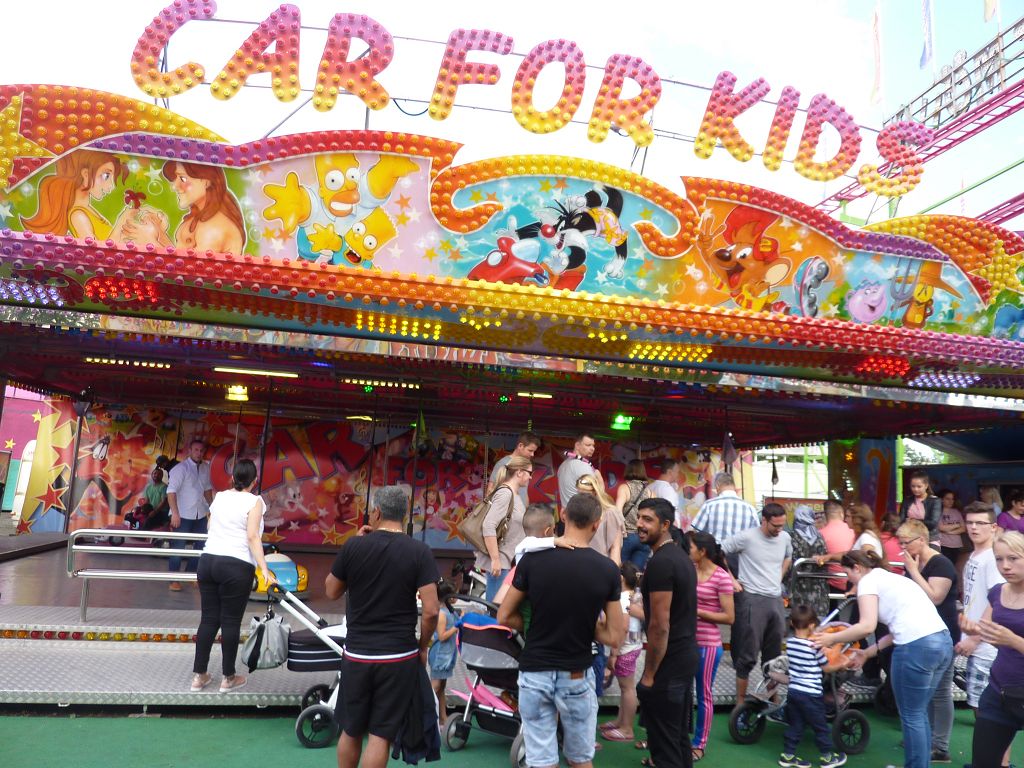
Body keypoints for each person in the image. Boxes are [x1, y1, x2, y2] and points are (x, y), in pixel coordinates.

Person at [497, 493, 624, 768]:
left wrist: (534, 624)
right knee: (580, 760)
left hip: (534, 672)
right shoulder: (607, 570)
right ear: (596, 524)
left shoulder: (531, 560)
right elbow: (614, 635)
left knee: (542, 762)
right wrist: (585, 623)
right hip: (576, 673)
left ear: (563, 515)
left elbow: (504, 615)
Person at [326, 485, 440, 768]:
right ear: (405, 515)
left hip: (357, 653)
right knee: (380, 734)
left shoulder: (354, 546)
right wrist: (422, 647)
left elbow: (331, 590)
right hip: (398, 655)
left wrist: (354, 545)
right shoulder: (419, 551)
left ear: (376, 512)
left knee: (351, 729)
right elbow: (431, 610)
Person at [813, 550, 952, 768]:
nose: (850, 580)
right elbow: (897, 628)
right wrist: (868, 652)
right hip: (942, 642)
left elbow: (866, 626)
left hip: (915, 647)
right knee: (918, 712)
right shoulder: (893, 579)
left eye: (848, 574)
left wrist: (831, 638)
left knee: (912, 715)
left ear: (857, 568)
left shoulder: (867, 582)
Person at [189, 459, 274, 694]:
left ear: (233, 478)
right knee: (230, 621)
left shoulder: (219, 497)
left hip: (208, 561)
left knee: (208, 619)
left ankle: (199, 676)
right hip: (236, 565)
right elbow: (252, 536)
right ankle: (228, 678)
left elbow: (210, 526)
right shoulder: (255, 501)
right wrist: (264, 569)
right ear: (255, 481)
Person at [634, 497, 699, 768]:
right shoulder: (678, 557)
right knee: (676, 738)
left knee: (665, 745)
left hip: (671, 660)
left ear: (665, 525)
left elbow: (660, 625)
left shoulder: (663, 562)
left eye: (647, 519)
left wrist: (649, 675)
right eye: (639, 517)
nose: (640, 524)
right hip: (683, 656)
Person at [897, 519, 960, 763]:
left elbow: (935, 597)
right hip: (920, 632)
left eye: (906, 542)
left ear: (921, 540)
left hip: (943, 633)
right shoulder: (915, 561)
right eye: (900, 543)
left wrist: (913, 571)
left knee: (941, 691)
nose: (903, 547)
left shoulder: (941, 563)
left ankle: (940, 745)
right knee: (925, 691)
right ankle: (923, 736)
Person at [955, 502, 1010, 768]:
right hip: (978, 641)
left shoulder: (992, 559)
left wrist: (975, 638)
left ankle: (1000, 763)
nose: (973, 527)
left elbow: (997, 601)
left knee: (990, 713)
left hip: (986, 645)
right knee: (984, 711)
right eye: (970, 522)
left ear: (994, 527)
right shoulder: (975, 556)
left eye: (980, 523)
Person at [963, 531, 1024, 768]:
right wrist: (973, 630)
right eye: (999, 559)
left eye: (1013, 558)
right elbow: (988, 631)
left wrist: (1014, 640)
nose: (1005, 566)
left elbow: (1009, 640)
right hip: (1000, 691)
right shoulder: (998, 591)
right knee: (983, 762)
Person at [722, 503, 792, 704]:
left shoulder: (785, 538)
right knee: (748, 653)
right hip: (752, 598)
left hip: (775, 599)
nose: (779, 530)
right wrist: (732, 580)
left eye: (782, 525)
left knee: (774, 655)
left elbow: (788, 556)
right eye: (775, 526)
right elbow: (719, 552)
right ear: (764, 520)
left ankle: (773, 699)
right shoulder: (747, 537)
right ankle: (740, 703)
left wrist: (779, 575)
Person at [779, 605, 849, 768]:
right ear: (811, 625)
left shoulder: (790, 643)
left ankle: (788, 755)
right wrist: (841, 664)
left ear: (792, 623)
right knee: (820, 726)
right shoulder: (814, 646)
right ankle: (827, 757)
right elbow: (827, 668)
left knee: (796, 724)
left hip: (794, 691)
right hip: (811, 694)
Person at [688, 529, 734, 763]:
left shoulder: (721, 577)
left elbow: (729, 617)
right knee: (683, 691)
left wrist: (698, 612)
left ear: (702, 551)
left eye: (690, 547)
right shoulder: (690, 570)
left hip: (707, 645)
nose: (688, 551)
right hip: (686, 641)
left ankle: (699, 744)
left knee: (703, 694)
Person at [22, 149, 130, 239]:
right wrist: (121, 221)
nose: (112, 186)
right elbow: (98, 252)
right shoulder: (78, 216)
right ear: (86, 174)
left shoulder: (88, 210)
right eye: (106, 176)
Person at [599, 562, 644, 744]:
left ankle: (627, 728)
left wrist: (614, 654)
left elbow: (623, 628)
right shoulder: (636, 595)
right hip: (633, 645)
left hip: (625, 649)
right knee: (626, 688)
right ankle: (620, 721)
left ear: (621, 578)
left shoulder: (622, 599)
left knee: (627, 689)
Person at [476, 455, 531, 601]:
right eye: (529, 473)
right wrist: (495, 559)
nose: (531, 477)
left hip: (506, 560)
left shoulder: (513, 494)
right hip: (501, 562)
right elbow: (488, 525)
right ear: (519, 472)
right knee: (495, 607)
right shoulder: (506, 493)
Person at [166, 439, 214, 591]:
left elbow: (207, 490)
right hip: (182, 514)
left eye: (201, 450)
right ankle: (174, 579)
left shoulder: (206, 468)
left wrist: (213, 508)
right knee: (178, 547)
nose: (199, 453)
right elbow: (171, 492)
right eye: (196, 450)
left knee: (202, 545)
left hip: (200, 513)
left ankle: (191, 575)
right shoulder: (180, 469)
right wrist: (175, 513)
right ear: (190, 451)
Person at [692, 471, 759, 578]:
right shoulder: (750, 508)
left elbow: (696, 532)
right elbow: (756, 537)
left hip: (714, 558)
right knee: (736, 587)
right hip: (740, 561)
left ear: (718, 485)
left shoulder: (709, 505)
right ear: (733, 486)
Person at [789, 505, 830, 619]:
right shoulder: (819, 536)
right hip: (819, 586)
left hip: (798, 585)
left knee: (800, 619)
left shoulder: (792, 536)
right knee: (818, 620)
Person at [429, 579, 459, 728]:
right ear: (448, 597)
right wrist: (456, 628)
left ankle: (443, 717)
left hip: (447, 656)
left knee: (441, 688)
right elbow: (441, 636)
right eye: (455, 594)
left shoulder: (450, 612)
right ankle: (425, 717)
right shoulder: (442, 614)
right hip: (440, 656)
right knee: (434, 687)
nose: (457, 597)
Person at [576, 473, 624, 565]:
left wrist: (614, 570)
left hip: (602, 565)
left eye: (586, 495)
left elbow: (615, 548)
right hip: (581, 564)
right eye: (579, 494)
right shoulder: (576, 512)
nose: (582, 499)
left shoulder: (610, 513)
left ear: (595, 492)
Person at [616, 459, 653, 570]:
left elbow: (617, 511)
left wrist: (621, 531)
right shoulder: (650, 492)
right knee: (635, 574)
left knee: (620, 571)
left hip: (627, 536)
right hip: (644, 538)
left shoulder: (625, 488)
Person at [486, 431, 541, 504]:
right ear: (520, 446)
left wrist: (525, 506)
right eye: (530, 450)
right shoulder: (503, 463)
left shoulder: (527, 465)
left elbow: (524, 491)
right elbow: (490, 491)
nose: (532, 454)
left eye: (534, 451)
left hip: (521, 509)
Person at [818, 500, 856, 590]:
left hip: (832, 584)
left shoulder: (820, 534)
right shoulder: (853, 531)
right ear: (842, 514)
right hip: (853, 582)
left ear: (825, 515)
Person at [899, 470, 942, 546]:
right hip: (909, 538)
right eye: (913, 486)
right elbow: (901, 520)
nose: (915, 489)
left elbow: (933, 523)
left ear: (926, 486)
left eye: (919, 486)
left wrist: (911, 521)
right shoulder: (907, 500)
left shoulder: (935, 501)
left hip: (930, 538)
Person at [556, 433, 596, 510]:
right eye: (588, 445)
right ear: (577, 445)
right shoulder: (583, 466)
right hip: (581, 513)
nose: (592, 448)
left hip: (567, 511)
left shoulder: (563, 465)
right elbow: (593, 495)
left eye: (593, 445)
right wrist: (599, 480)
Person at [648, 458, 682, 527]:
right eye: (677, 472)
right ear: (670, 472)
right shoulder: (668, 490)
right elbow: (670, 515)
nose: (678, 474)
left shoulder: (649, 487)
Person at [937, 488, 966, 565]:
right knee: (945, 565)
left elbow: (963, 528)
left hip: (956, 545)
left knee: (954, 565)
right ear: (941, 499)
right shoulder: (938, 512)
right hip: (943, 544)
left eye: (952, 499)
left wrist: (950, 532)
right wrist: (957, 525)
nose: (951, 501)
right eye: (948, 499)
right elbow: (941, 527)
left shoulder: (956, 511)